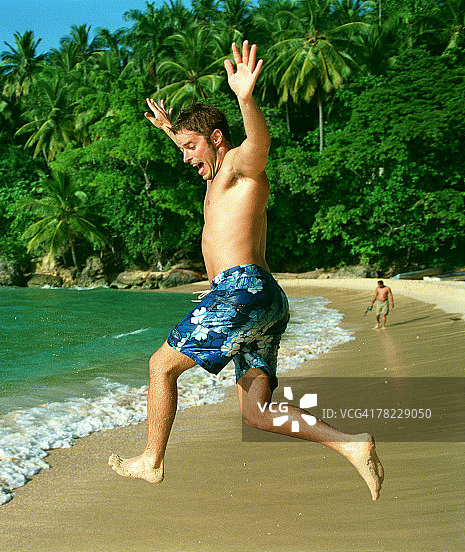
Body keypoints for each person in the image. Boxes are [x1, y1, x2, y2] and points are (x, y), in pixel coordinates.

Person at [108, 40, 384, 500]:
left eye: (190, 147)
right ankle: (351, 445)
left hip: (242, 291)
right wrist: (171, 130)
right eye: (180, 149)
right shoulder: (219, 177)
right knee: (256, 414)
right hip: (264, 300)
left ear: (217, 138)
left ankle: (152, 461)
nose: (184, 158)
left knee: (161, 367)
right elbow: (197, 144)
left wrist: (245, 98)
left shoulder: (238, 164)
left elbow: (259, 142)